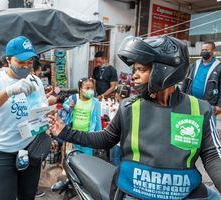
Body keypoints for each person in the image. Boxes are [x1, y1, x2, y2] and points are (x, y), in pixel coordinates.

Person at [49, 36, 221, 199]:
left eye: (141, 69)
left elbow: (213, 156)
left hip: (185, 194)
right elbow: (106, 138)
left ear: (164, 71)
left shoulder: (199, 109)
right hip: (132, 193)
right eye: (135, 69)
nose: (134, 75)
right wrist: (65, 132)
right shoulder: (130, 107)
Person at [0, 36, 48, 200]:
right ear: (7, 59)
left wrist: (45, 118)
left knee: (27, 197)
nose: (26, 67)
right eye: (20, 62)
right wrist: (8, 92)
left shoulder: (35, 81)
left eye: (29, 62)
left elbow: (40, 111)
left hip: (29, 149)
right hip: (0, 151)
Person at [62, 77, 102, 155]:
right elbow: (64, 105)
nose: (90, 90)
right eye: (87, 88)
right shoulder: (74, 98)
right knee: (75, 158)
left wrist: (99, 138)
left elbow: (98, 120)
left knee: (86, 159)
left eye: (92, 88)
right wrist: (70, 107)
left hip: (88, 136)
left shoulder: (95, 102)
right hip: (74, 134)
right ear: (80, 89)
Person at [182, 41, 221, 115]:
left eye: (206, 50)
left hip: (208, 104)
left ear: (213, 52)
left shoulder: (219, 67)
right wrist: (181, 97)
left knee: (205, 125)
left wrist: (219, 105)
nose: (203, 52)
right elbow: (186, 82)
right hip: (190, 102)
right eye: (202, 50)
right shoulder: (194, 65)